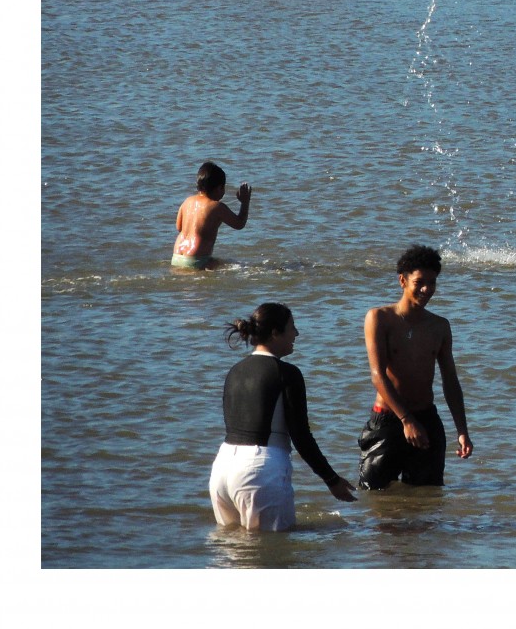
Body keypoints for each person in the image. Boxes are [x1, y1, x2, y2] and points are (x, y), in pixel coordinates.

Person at [209, 303, 356, 531]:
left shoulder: (234, 371)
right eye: (292, 327)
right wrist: (331, 479)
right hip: (260, 470)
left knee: (233, 553)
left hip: (222, 468)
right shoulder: (287, 373)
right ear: (275, 333)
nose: (296, 334)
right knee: (273, 556)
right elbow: (301, 436)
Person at [358, 244, 473, 489]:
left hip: (427, 419)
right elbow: (378, 376)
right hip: (388, 421)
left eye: (432, 283)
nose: (426, 289)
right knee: (375, 497)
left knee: (427, 501)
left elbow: (450, 381)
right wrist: (406, 420)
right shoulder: (379, 318)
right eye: (419, 282)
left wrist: (462, 430)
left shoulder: (439, 326)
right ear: (402, 280)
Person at [171, 161, 251, 269]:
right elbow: (240, 224)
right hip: (196, 260)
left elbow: (179, 227)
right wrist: (245, 202)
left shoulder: (187, 201)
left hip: (176, 258)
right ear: (219, 188)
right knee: (240, 266)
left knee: (221, 262)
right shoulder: (216, 206)